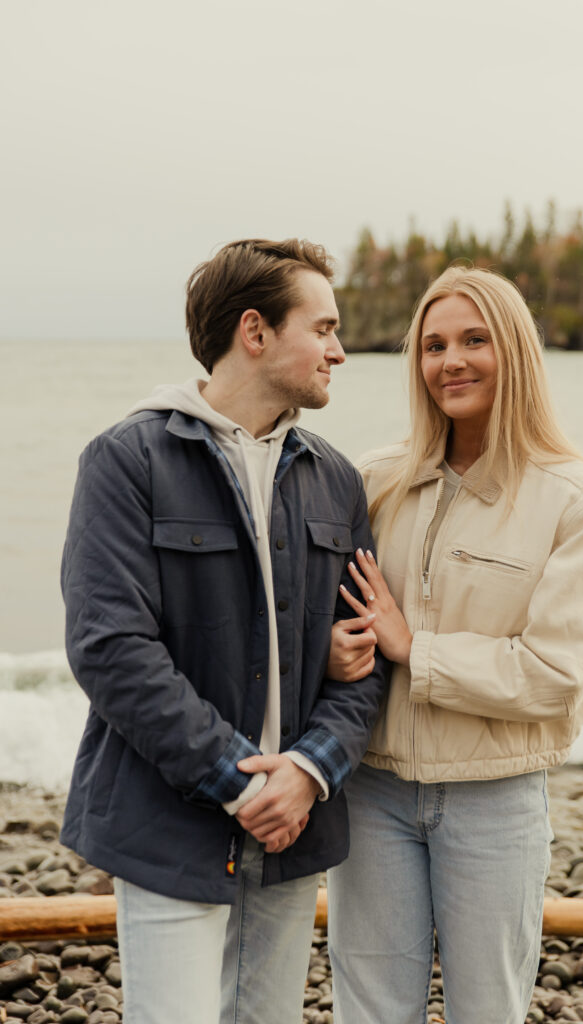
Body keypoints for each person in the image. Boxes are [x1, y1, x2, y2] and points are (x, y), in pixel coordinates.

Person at [59, 238, 387, 1024]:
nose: (339, 351)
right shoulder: (126, 460)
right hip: (168, 826)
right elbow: (111, 649)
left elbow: (369, 655)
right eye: (324, 327)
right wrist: (244, 784)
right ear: (256, 331)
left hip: (294, 831)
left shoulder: (336, 479)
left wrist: (307, 772)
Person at [325, 266, 583, 1024]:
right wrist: (336, 648)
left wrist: (411, 647)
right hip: (374, 791)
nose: (449, 360)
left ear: (514, 350)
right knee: (369, 1013)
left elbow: (555, 673)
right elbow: (332, 623)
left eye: (472, 340)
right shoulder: (374, 481)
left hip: (495, 797)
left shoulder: (576, 499)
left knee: (488, 1012)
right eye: (432, 345)